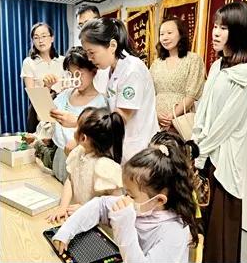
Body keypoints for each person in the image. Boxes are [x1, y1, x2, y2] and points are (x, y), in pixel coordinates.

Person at [192, 1, 247, 262]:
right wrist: (196, 143)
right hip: (206, 154)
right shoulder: (217, 66)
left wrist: (198, 151)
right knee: (203, 224)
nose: (215, 32)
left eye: (224, 28)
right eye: (215, 26)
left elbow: (224, 125)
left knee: (220, 232)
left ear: (240, 32)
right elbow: (205, 110)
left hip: (222, 162)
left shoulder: (244, 76)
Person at [52, 143, 199, 262]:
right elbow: (99, 205)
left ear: (159, 200)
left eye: (131, 196)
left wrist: (124, 226)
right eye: (126, 193)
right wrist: (66, 231)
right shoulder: (140, 206)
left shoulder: (174, 233)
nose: (125, 198)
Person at [52, 18, 159, 163]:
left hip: (139, 147)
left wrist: (78, 122)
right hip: (121, 146)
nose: (89, 59)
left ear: (112, 46)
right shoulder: (110, 70)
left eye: (92, 52)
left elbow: (119, 119)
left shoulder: (132, 70)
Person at [47, 107, 124, 224]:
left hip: (97, 226)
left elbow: (115, 204)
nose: (74, 129)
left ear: (83, 138)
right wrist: (62, 207)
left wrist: (87, 210)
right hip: (77, 219)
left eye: (77, 127)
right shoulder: (78, 152)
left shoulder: (105, 166)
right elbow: (70, 180)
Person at [43, 47, 107, 182]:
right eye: (71, 74)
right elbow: (43, 115)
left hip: (84, 162)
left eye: (79, 73)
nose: (75, 78)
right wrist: (46, 89)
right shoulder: (66, 95)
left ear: (94, 71)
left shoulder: (101, 103)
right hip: (60, 157)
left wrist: (79, 141)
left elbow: (102, 136)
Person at [149, 17, 205, 131]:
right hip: (156, 122)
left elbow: (191, 95)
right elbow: (148, 94)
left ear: (181, 34)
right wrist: (156, 115)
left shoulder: (193, 60)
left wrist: (172, 116)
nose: (165, 37)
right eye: (162, 34)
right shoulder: (156, 63)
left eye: (169, 33)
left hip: (181, 122)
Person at [20, 22, 65, 132]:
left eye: (44, 36)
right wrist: (46, 87)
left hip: (60, 109)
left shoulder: (63, 61)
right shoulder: (29, 62)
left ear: (52, 38)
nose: (40, 40)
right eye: (36, 37)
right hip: (38, 111)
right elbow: (32, 95)